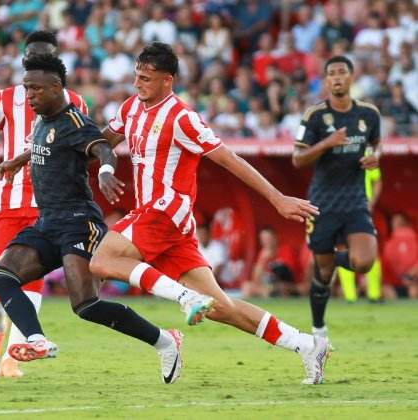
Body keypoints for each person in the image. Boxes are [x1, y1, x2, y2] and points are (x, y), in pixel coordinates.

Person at [88, 42, 329, 385]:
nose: (137, 83)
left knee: (101, 261)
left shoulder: (182, 117)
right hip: (162, 221)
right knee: (221, 308)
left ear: (167, 81)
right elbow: (102, 142)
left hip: (165, 212)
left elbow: (229, 159)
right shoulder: (130, 108)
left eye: (145, 78)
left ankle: (183, 302)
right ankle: (307, 345)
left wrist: (277, 198)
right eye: (136, 76)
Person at [0, 53, 214, 385]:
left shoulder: (75, 122)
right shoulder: (42, 121)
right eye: (26, 89)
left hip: (79, 222)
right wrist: (17, 161)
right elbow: (51, 150)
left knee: (86, 305)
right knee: (2, 277)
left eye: (35, 89)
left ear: (55, 87)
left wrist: (107, 171)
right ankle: (36, 339)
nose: (30, 96)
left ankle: (165, 341)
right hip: (47, 222)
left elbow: (102, 148)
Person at [0, 31, 89, 378]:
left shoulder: (75, 102)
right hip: (10, 203)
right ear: (23, 60)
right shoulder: (3, 100)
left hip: (49, 206)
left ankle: (15, 354)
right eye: (31, 57)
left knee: (31, 277)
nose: (35, 62)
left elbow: (80, 150)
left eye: (43, 57)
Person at [292, 55, 381, 339]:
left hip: (355, 199)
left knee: (364, 262)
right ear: (327, 81)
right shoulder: (314, 116)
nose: (338, 77)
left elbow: (376, 144)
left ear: (351, 77)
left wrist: (374, 157)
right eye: (332, 74)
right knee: (324, 275)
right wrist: (327, 143)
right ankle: (318, 327)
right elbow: (297, 159)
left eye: (343, 72)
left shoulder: (369, 114)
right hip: (323, 202)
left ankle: (328, 259)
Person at [337, 165, 383, 303]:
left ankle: (374, 295)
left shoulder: (365, 153)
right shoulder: (334, 155)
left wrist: (372, 202)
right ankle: (350, 296)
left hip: (362, 209)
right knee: (343, 249)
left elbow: (377, 180)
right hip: (340, 209)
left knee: (369, 249)